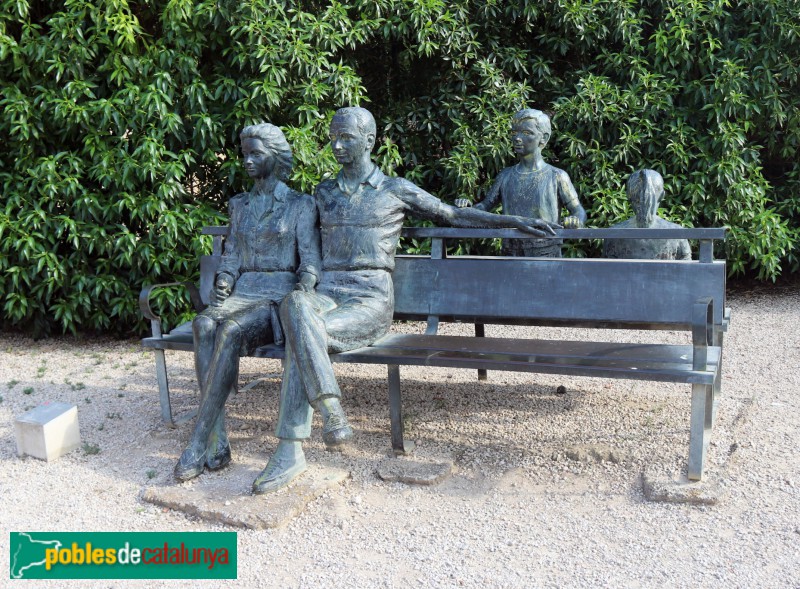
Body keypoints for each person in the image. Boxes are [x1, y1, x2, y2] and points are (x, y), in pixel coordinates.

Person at [251, 106, 559, 494]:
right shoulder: (323, 192)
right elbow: (299, 243)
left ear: (369, 141)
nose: (337, 145)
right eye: (333, 138)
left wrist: (514, 221)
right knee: (297, 305)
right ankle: (330, 409)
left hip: (369, 299)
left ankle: (289, 451)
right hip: (326, 295)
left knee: (301, 331)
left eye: (346, 138)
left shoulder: (394, 189)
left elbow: (451, 215)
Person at [174, 123, 321, 481]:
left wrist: (304, 289)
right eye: (245, 154)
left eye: (256, 153)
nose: (248, 161)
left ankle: (198, 441)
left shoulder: (300, 204)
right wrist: (224, 281)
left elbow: (310, 261)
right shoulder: (239, 205)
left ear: (276, 157)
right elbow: (232, 256)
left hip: (276, 297)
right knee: (203, 324)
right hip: (242, 292)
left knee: (229, 331)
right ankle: (218, 437)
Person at [455, 108, 586, 257]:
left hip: (547, 252)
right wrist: (467, 209)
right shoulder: (505, 176)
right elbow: (484, 207)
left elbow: (578, 210)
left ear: (543, 138)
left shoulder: (556, 176)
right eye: (514, 133)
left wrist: (576, 220)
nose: (517, 138)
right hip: (510, 253)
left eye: (526, 133)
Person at [603, 169, 692, 260]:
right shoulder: (677, 233)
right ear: (662, 196)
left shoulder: (613, 233)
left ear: (628, 196)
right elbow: (687, 265)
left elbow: (606, 266)